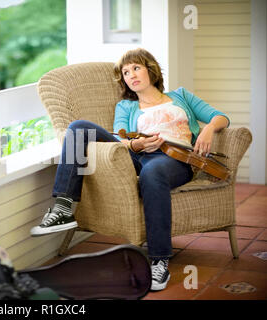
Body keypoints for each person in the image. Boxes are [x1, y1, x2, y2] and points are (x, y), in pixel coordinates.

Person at [30, 48, 230, 291]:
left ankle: (159, 261)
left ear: (151, 70)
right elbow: (121, 138)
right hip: (136, 155)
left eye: (136, 68)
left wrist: (208, 128)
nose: (131, 75)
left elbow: (220, 117)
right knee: (78, 127)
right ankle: (63, 207)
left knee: (152, 173)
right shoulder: (126, 106)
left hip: (174, 159)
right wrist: (136, 144)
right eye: (125, 72)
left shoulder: (181, 96)